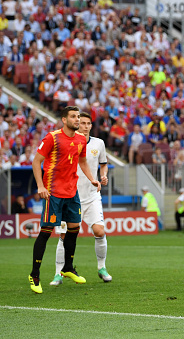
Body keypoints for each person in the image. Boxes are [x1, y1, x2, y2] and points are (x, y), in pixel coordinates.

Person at [29, 106, 101, 294]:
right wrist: (40, 186)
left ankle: (67, 267)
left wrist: (92, 178)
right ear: (64, 119)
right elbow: (36, 161)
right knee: (46, 233)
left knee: (74, 229)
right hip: (53, 193)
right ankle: (34, 274)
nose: (77, 120)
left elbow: (83, 161)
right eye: (73, 117)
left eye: (78, 117)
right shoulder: (52, 138)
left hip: (72, 193)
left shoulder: (80, 139)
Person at [50, 112, 111, 286]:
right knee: (63, 235)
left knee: (99, 231)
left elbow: (103, 163)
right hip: (69, 197)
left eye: (87, 123)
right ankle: (58, 273)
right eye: (81, 122)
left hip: (91, 197)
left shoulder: (98, 143)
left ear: (91, 126)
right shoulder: (68, 142)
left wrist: (103, 176)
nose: (84, 125)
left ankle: (102, 268)